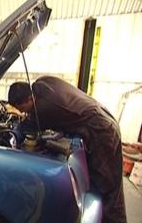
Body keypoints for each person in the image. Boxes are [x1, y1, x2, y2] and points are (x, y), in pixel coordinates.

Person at [8, 76, 126, 223]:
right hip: (102, 117)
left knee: (108, 188)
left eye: (22, 108)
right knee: (99, 183)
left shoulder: (44, 109)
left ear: (29, 98)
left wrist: (11, 133)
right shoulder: (43, 82)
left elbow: (28, 126)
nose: (23, 112)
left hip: (102, 131)